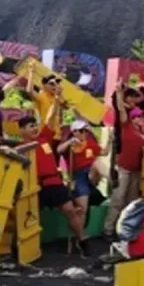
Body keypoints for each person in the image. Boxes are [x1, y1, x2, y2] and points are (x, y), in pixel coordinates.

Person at [18, 86, 94, 257]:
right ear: (21, 130)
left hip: (55, 183)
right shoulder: (19, 148)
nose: (35, 128)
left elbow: (50, 118)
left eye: (35, 125)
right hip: (35, 187)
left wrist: (57, 99)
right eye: (31, 126)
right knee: (29, 216)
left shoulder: (43, 138)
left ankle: (82, 240)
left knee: (71, 211)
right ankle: (26, 248)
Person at [103, 83, 144, 241]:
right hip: (123, 168)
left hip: (137, 170)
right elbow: (121, 109)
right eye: (135, 117)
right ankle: (108, 230)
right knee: (118, 199)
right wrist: (118, 92)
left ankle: (125, 229)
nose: (137, 119)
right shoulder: (126, 126)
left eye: (139, 117)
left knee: (131, 202)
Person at [57, 119, 111, 232]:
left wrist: (110, 140)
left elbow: (104, 152)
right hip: (78, 176)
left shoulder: (90, 142)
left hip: (92, 173)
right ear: (74, 132)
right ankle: (80, 237)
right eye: (81, 131)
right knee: (83, 210)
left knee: (97, 163)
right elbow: (59, 150)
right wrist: (70, 142)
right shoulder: (70, 146)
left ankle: (111, 178)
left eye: (85, 131)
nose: (84, 133)